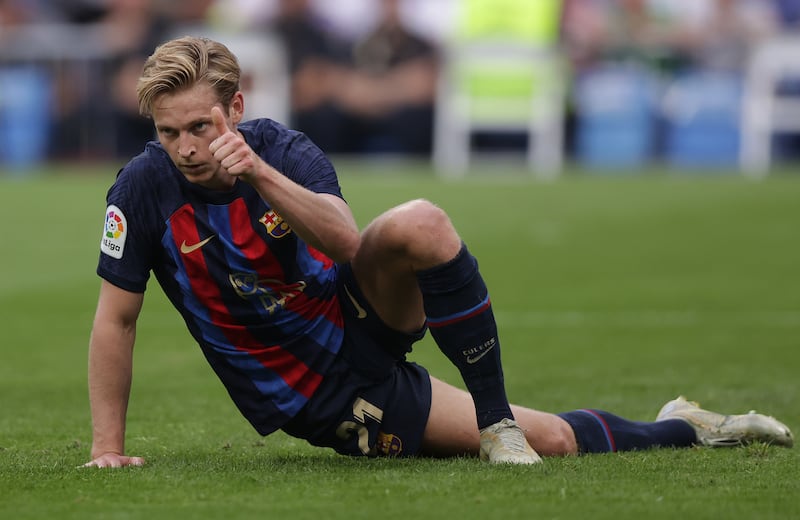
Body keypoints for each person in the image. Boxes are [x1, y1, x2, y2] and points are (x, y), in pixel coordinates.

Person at [83, 36, 793, 469]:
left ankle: (497, 427)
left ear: (235, 109)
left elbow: (349, 242)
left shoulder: (279, 150)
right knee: (561, 443)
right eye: (170, 131)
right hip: (324, 393)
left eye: (200, 126)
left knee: (421, 221)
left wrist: (260, 177)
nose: (187, 148)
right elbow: (116, 320)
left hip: (358, 311)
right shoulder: (143, 189)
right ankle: (687, 426)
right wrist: (106, 449)